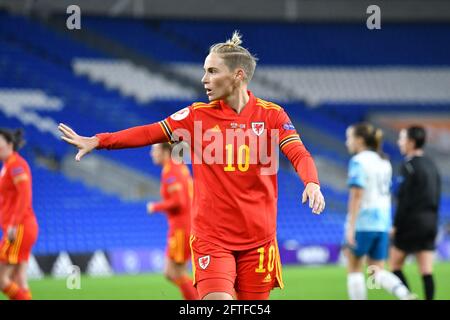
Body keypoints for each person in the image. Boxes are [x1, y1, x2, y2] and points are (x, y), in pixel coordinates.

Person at [59, 31, 325, 300]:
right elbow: (149, 133)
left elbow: (299, 154)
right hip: (212, 238)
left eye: (212, 71)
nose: (204, 79)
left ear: (238, 75)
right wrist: (99, 140)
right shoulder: (196, 115)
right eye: (204, 71)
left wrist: (311, 182)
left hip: (259, 241)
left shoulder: (272, 115)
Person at [344, 123, 415, 300]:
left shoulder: (358, 161)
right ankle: (404, 294)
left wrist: (351, 227)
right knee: (376, 271)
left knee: (354, 269)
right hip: (382, 222)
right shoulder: (384, 161)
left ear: (359, 140)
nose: (347, 142)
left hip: (364, 222)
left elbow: (357, 195)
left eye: (350, 138)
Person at [390, 125, 441, 300]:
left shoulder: (409, 166)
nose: (399, 143)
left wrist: (396, 224)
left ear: (411, 142)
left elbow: (404, 200)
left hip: (411, 222)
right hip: (430, 221)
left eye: (402, 139)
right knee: (426, 269)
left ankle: (408, 297)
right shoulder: (432, 164)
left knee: (395, 264)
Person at [147, 142, 198, 300]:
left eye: (154, 150)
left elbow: (179, 202)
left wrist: (155, 207)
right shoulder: (178, 166)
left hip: (181, 228)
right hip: (184, 225)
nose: (151, 154)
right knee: (171, 273)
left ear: (165, 151)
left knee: (176, 272)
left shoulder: (170, 171)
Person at [0, 129, 38, 300]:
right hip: (22, 226)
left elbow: (25, 195)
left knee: (1, 278)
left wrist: (13, 224)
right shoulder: (8, 165)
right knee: (19, 279)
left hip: (19, 227)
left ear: (9, 144)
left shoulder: (15, 164)